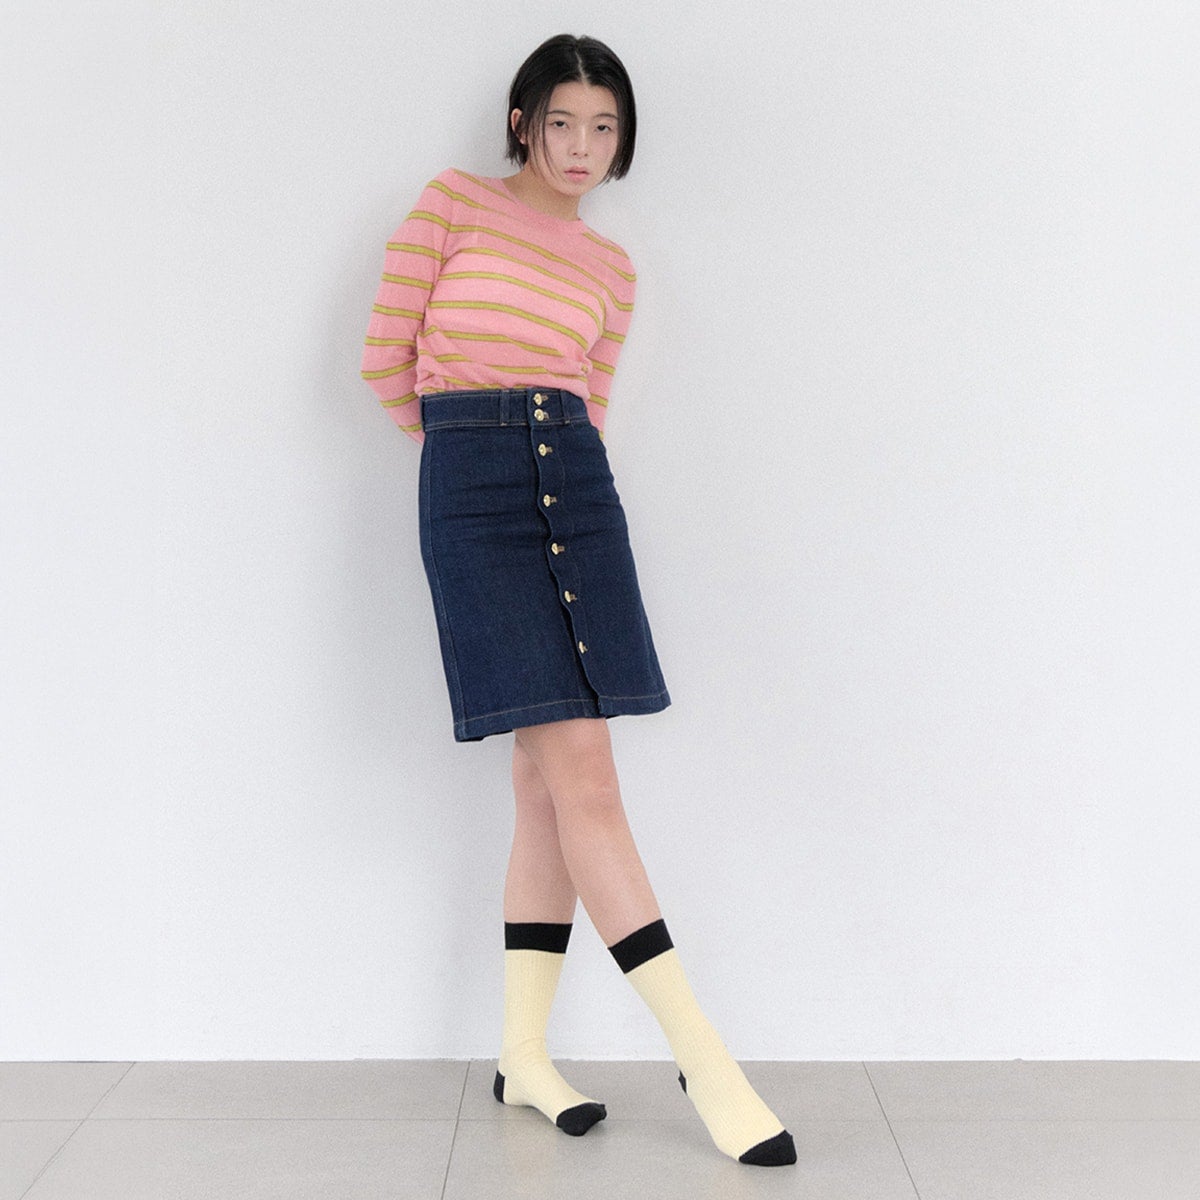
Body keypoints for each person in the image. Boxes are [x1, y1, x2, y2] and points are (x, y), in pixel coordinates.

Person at [361, 33, 796, 1168]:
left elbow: (589, 404)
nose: (582, 147)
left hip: (581, 492)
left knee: (546, 785)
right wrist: (472, 458)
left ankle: (523, 1055)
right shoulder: (452, 205)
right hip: (473, 493)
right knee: (586, 776)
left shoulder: (613, 270)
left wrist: (540, 454)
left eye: (604, 128)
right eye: (563, 123)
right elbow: (385, 361)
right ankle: (703, 1055)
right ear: (524, 123)